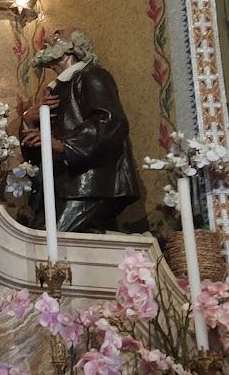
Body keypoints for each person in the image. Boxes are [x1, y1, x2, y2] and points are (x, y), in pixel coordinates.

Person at [19, 29, 139, 233]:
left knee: (47, 241)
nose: (46, 39)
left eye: (56, 36)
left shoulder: (92, 75)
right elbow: (39, 149)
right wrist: (28, 121)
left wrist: (63, 144)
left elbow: (110, 121)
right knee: (39, 239)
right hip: (63, 186)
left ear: (72, 48)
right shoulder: (56, 89)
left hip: (88, 185)